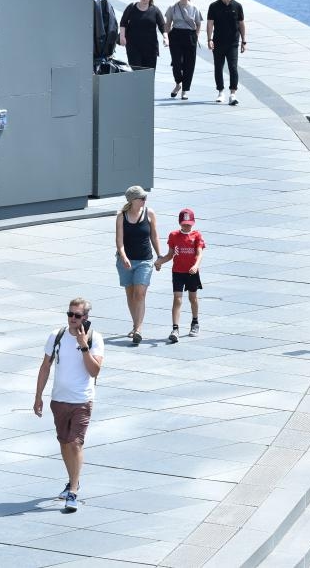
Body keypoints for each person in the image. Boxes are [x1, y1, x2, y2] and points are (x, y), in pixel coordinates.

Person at [33, 298, 104, 512]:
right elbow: (45, 367)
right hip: (59, 400)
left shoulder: (95, 339)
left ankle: (73, 490)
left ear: (86, 317)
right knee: (64, 443)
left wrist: (83, 346)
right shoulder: (57, 336)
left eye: (77, 315)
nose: (72, 319)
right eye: (70, 314)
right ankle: (73, 479)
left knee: (75, 443)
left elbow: (95, 371)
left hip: (82, 400)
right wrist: (38, 396)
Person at [115, 185, 163, 344]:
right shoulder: (122, 217)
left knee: (140, 293)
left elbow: (154, 237)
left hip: (144, 260)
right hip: (126, 261)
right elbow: (119, 242)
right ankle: (135, 324)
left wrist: (159, 256)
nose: (144, 200)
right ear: (132, 200)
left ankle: (138, 329)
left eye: (145, 198)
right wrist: (123, 256)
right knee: (130, 294)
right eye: (141, 198)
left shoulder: (149, 213)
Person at [155, 208, 205, 342]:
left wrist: (196, 266)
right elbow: (170, 255)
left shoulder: (197, 236)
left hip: (191, 272)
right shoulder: (173, 235)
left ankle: (195, 322)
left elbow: (200, 253)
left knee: (193, 298)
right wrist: (159, 262)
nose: (186, 226)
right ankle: (175, 328)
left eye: (189, 224)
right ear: (180, 223)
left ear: (193, 223)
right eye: (184, 223)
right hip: (177, 271)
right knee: (177, 299)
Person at [206, 0, 246, 106]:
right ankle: (220, 92)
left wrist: (244, 41)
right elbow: (210, 24)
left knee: (233, 67)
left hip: (233, 43)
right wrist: (209, 39)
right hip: (218, 42)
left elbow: (241, 24)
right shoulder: (213, 6)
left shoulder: (237, 6)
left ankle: (233, 94)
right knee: (218, 67)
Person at [164, 0, 203, 100]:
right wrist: (166, 36)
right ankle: (178, 83)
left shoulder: (194, 8)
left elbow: (198, 23)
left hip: (190, 35)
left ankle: (185, 89)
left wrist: (196, 36)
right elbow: (168, 23)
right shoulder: (173, 7)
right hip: (176, 34)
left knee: (189, 64)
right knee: (176, 62)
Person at [119, 0, 168, 70]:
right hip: (133, 46)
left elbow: (162, 25)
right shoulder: (132, 7)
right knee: (136, 72)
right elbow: (123, 22)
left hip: (150, 47)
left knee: (149, 73)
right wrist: (122, 37)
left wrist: (165, 37)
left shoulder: (155, 10)